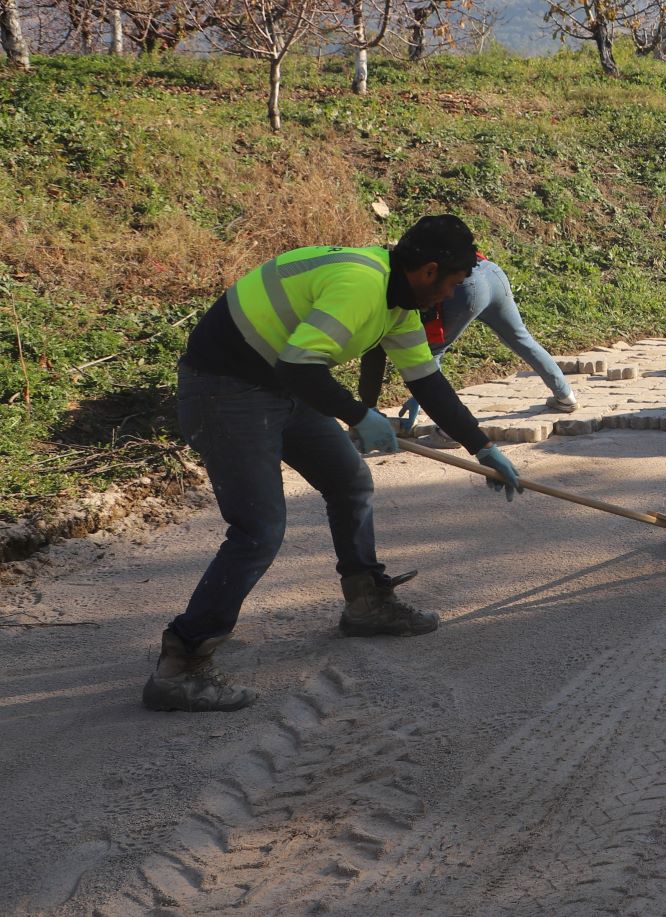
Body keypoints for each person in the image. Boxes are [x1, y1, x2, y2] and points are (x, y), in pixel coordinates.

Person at [143, 215, 525, 714]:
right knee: (259, 529)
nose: (450, 298)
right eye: (453, 285)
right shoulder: (362, 283)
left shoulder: (400, 300)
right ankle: (182, 663)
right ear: (428, 270)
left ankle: (366, 603)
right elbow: (300, 364)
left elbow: (426, 381)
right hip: (226, 389)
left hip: (282, 384)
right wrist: (358, 413)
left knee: (349, 482)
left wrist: (481, 446)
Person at [356, 255, 577, 428]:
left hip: (465, 288)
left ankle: (447, 430)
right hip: (492, 272)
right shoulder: (425, 255)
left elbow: (424, 349)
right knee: (520, 338)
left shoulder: (407, 277)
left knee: (432, 352)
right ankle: (565, 395)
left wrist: (419, 396)